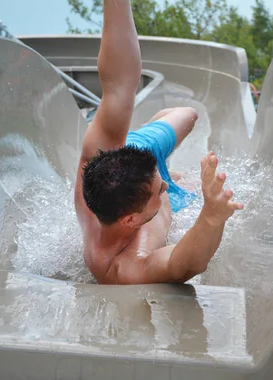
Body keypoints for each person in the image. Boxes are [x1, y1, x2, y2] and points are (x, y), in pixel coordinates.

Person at [74, 0, 243, 284]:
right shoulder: (124, 267)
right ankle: (169, 171)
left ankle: (154, 150)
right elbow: (183, 264)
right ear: (130, 220)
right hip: (138, 173)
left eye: (161, 181)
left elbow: (119, 85)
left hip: (139, 152)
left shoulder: (96, 164)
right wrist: (211, 217)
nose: (163, 186)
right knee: (182, 186)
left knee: (189, 114)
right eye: (159, 187)